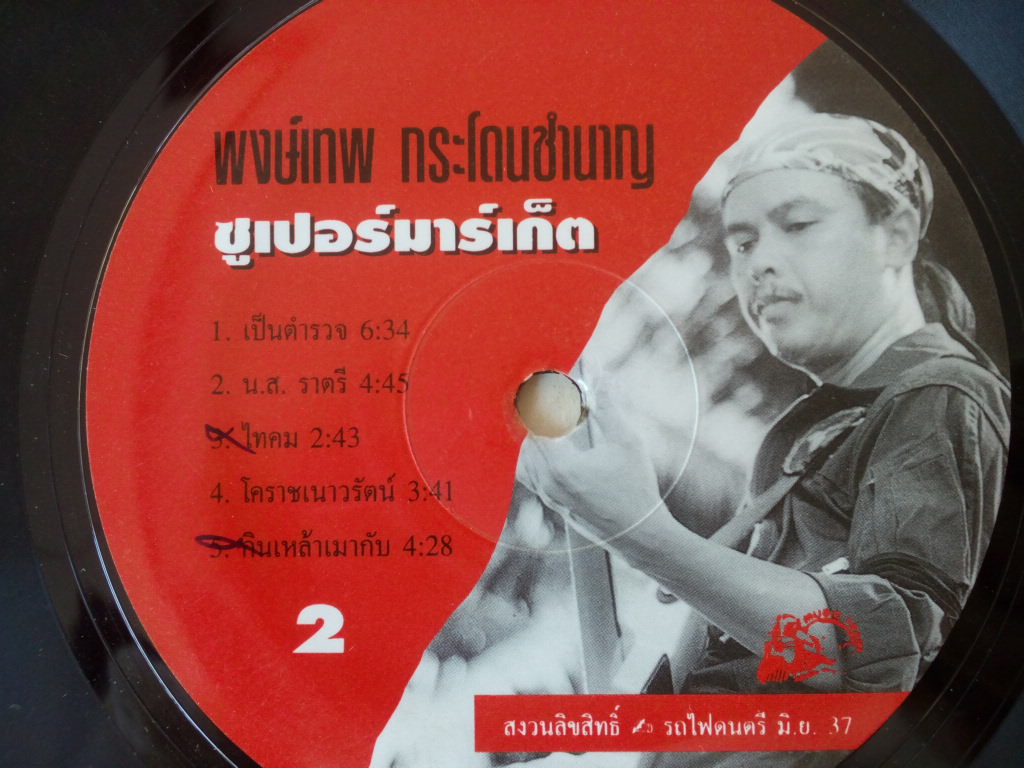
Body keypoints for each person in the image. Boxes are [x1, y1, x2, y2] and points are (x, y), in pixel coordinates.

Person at [519, 113, 1009, 764]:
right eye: (743, 243)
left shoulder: (940, 394)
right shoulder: (838, 423)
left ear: (894, 236)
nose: (760, 264)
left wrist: (643, 535)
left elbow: (892, 658)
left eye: (799, 225)